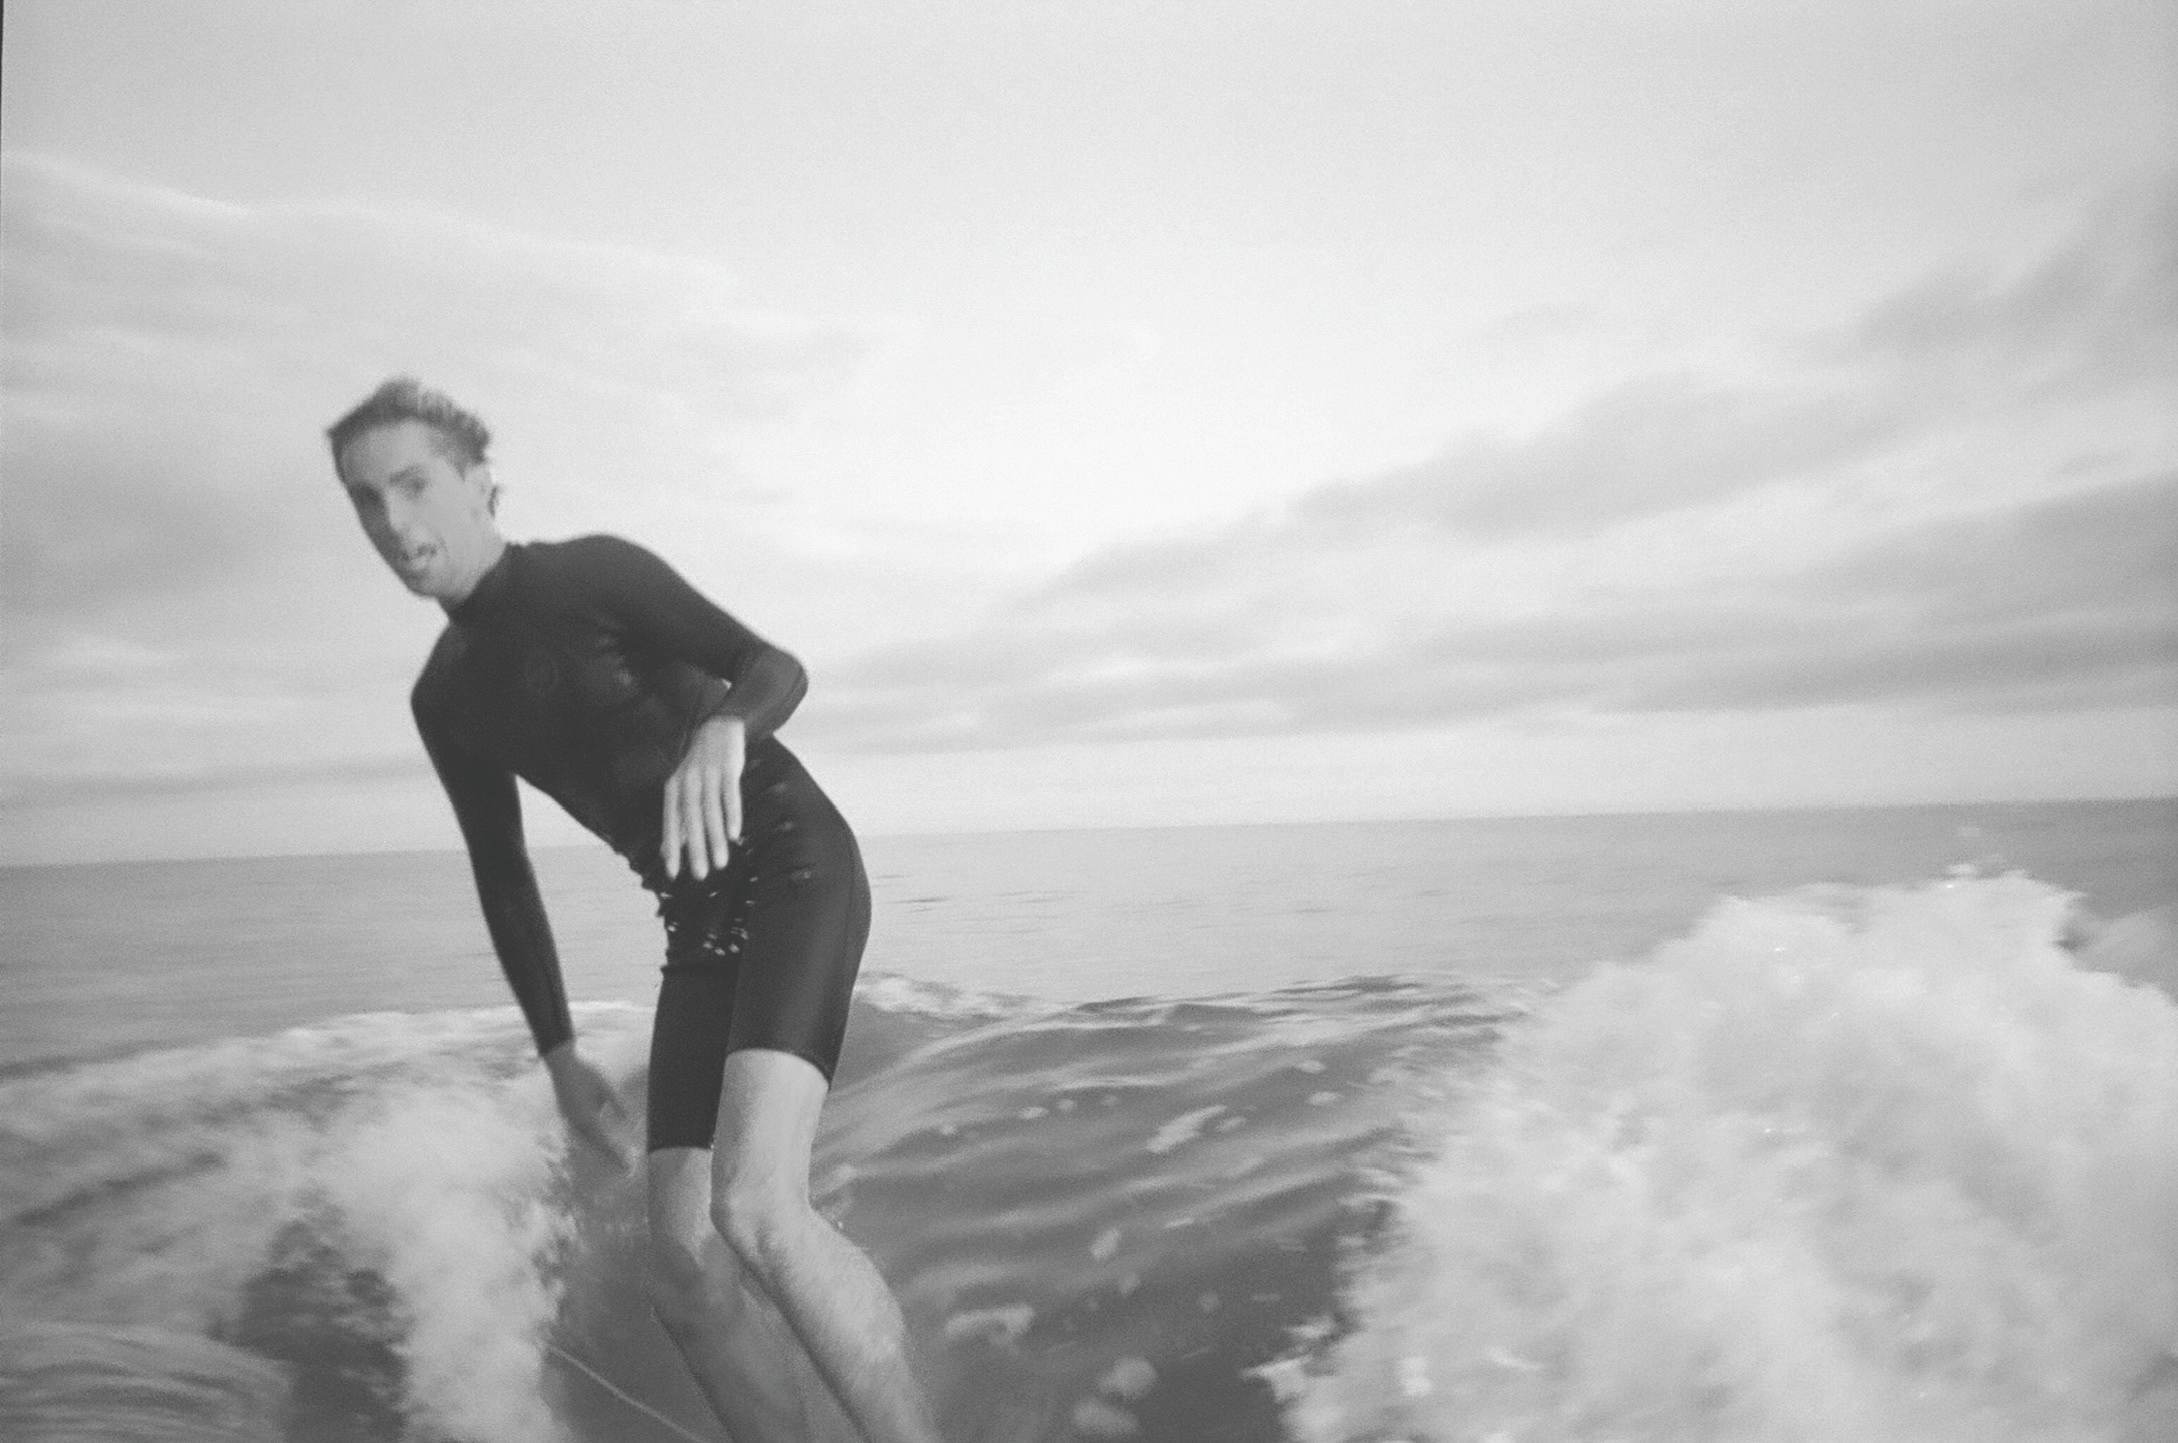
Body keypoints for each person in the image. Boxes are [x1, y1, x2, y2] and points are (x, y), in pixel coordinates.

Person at [327, 377, 937, 1443]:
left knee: (757, 1212)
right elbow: (502, 873)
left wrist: (725, 730)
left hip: (792, 863)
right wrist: (559, 1055)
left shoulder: (589, 575)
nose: (393, 522)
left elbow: (773, 666)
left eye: (414, 485)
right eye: (366, 500)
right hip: (697, 926)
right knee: (686, 1283)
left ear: (478, 483)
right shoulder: (445, 696)